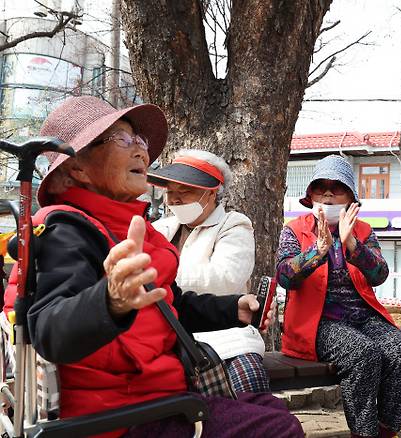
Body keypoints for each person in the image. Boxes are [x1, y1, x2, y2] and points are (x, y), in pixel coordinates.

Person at [4, 96, 303, 438]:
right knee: (281, 428)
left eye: (140, 141)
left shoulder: (125, 226)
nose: (141, 152)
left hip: (156, 397)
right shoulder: (68, 230)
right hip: (121, 417)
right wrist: (109, 300)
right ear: (77, 169)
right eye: (121, 139)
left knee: (270, 408)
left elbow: (167, 304)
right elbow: (48, 331)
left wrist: (231, 309)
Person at [276, 154, 401, 438]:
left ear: (350, 197)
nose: (328, 194)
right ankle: (363, 434)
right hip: (317, 323)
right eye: (321, 187)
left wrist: (353, 245)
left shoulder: (364, 230)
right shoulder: (293, 229)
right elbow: (284, 277)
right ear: (310, 195)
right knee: (362, 354)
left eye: (337, 187)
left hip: (363, 317)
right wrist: (316, 251)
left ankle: (386, 431)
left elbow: (379, 274)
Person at [148, 149, 269, 393]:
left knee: (249, 391)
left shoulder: (235, 224)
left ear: (211, 192)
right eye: (170, 192)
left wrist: (160, 274)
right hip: (168, 335)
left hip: (226, 336)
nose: (174, 200)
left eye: (185, 192)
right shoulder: (160, 228)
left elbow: (225, 277)